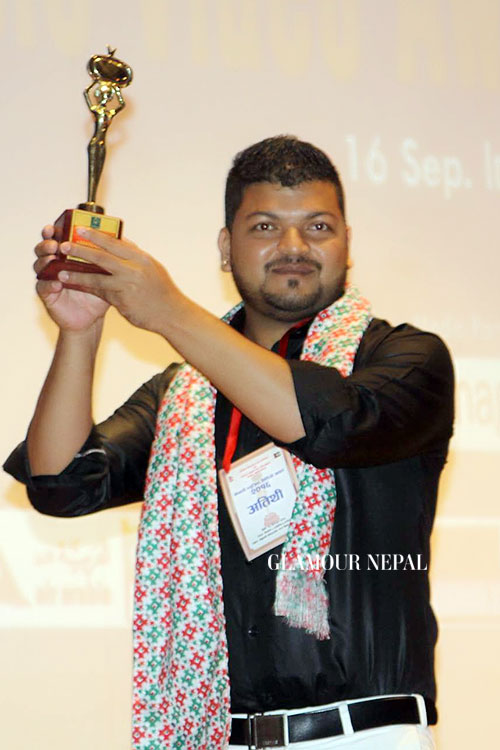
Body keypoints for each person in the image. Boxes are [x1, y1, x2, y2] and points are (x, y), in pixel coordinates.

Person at [4, 136, 454, 750]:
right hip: (217, 735)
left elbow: (329, 423)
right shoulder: (183, 395)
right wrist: (80, 334)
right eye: (265, 226)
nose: (294, 246)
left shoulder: (408, 357)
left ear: (347, 242)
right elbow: (61, 483)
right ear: (225, 247)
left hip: (363, 733)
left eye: (318, 226)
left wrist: (169, 311)